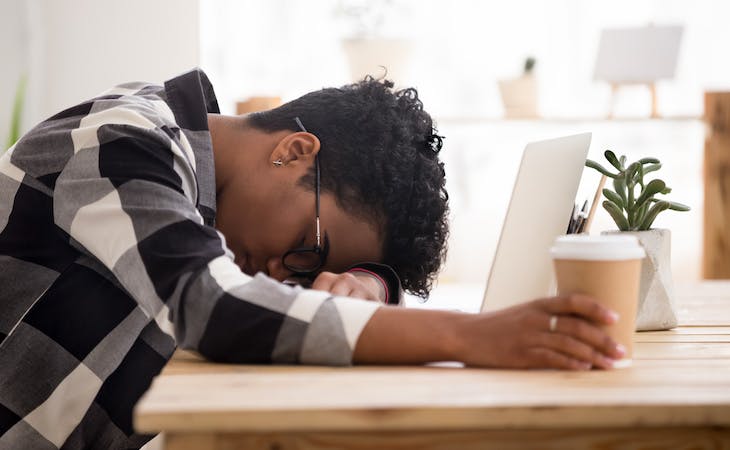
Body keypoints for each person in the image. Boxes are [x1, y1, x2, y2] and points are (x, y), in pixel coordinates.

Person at [0, 69, 624, 449]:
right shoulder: (122, 142)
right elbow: (209, 305)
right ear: (294, 150)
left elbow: (313, 287)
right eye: (309, 249)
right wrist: (471, 335)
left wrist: (366, 281)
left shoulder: (209, 198)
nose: (282, 275)